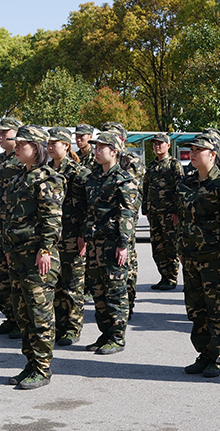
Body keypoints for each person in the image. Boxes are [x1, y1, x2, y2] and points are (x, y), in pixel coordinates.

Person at [1, 125, 64, 390]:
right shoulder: (19, 177)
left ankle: (42, 368)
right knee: (23, 314)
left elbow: (52, 219)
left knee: (40, 315)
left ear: (35, 148)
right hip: (17, 255)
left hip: (37, 257)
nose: (16, 147)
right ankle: (30, 364)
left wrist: (46, 250)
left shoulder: (48, 178)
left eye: (21, 144)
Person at [175, 133, 220, 379]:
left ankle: (219, 358)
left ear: (212, 155)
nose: (193, 153)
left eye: (199, 149)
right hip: (190, 256)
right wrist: (180, 249)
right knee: (196, 309)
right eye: (192, 149)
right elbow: (180, 221)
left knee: (217, 310)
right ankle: (204, 354)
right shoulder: (185, 183)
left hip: (215, 257)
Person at [82, 131, 139, 355]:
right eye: (95, 148)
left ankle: (117, 336)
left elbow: (127, 214)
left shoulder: (124, 179)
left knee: (115, 291)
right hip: (95, 243)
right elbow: (89, 210)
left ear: (114, 151)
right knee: (98, 291)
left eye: (101, 148)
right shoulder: (94, 178)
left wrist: (123, 245)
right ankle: (105, 333)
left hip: (114, 243)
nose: (96, 151)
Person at [47, 127, 89, 346]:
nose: (51, 146)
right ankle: (59, 325)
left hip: (73, 235)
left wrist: (83, 234)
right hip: (53, 237)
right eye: (49, 143)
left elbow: (86, 207)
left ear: (66, 146)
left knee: (72, 284)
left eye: (56, 143)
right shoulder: (45, 170)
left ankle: (72, 328)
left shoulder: (77, 171)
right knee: (55, 284)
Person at [100, 122, 144, 319]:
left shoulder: (133, 162)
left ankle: (128, 303)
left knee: (127, 264)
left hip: (126, 218)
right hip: (104, 224)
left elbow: (129, 195)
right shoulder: (99, 162)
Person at [0, 117, 25, 338]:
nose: (1, 136)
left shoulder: (23, 161)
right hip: (0, 225)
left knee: (17, 274)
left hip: (16, 226)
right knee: (2, 274)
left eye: (5, 132)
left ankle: (22, 320)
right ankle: (10, 317)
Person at [142, 132, 183, 291]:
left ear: (167, 145)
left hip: (168, 213)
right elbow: (146, 187)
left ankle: (171, 277)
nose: (157, 146)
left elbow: (179, 189)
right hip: (154, 213)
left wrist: (176, 211)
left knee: (170, 246)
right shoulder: (151, 166)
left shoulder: (174, 164)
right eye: (155, 143)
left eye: (160, 143)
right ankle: (163, 276)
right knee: (157, 247)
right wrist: (145, 207)